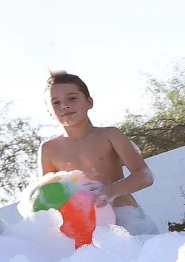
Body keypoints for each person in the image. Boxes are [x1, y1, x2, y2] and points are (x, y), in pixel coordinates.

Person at [39, 71, 159, 235]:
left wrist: (109, 191)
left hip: (130, 221)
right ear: (49, 112)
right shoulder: (48, 150)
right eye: (56, 102)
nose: (64, 106)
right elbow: (47, 198)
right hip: (89, 232)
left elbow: (145, 176)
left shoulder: (110, 135)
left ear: (89, 102)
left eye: (72, 98)